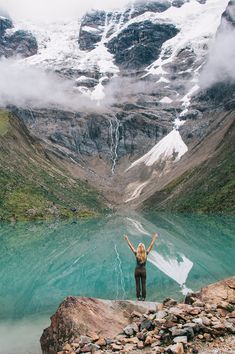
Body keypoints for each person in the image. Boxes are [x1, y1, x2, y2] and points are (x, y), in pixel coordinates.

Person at [124, 233, 158, 301]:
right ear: (144, 248)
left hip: (137, 270)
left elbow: (130, 246)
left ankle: (138, 297)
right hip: (143, 271)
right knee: (143, 284)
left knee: (137, 284)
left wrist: (127, 239)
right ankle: (143, 298)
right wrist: (154, 238)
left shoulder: (136, 253)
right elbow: (151, 245)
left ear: (138, 248)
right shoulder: (146, 253)